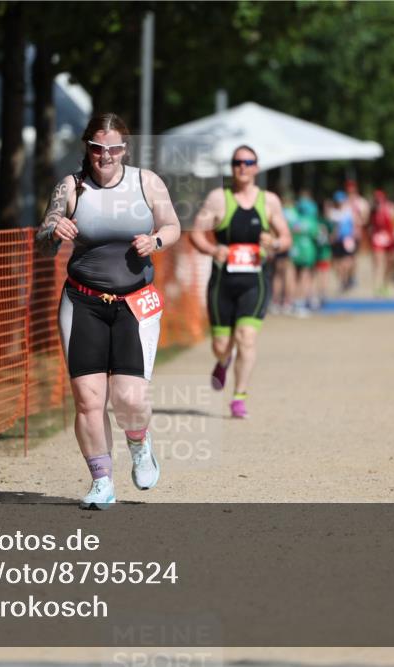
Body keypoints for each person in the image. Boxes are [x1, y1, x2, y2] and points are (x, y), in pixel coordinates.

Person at [34, 112, 181, 510]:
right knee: (88, 399)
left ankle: (139, 443)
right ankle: (101, 480)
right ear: (88, 148)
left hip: (135, 302)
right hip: (83, 301)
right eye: (98, 148)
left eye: (114, 148)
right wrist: (54, 231)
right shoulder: (71, 187)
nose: (106, 156)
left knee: (130, 398)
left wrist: (156, 241)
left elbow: (171, 224)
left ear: (124, 149)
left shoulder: (145, 181)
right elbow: (43, 239)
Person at [190, 145, 291, 419]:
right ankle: (223, 361)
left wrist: (276, 242)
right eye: (237, 163)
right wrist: (213, 250)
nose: (243, 167)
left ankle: (239, 397)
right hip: (222, 282)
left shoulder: (269, 201)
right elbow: (196, 233)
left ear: (257, 167)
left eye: (248, 162)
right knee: (221, 346)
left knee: (246, 337)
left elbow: (286, 238)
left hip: (255, 281)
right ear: (232, 167)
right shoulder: (218, 199)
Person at [369, 190, 394, 296]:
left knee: (389, 264)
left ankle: (386, 285)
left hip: (389, 239)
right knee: (379, 264)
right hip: (378, 239)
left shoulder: (389, 209)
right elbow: (370, 226)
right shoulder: (373, 212)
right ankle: (377, 287)